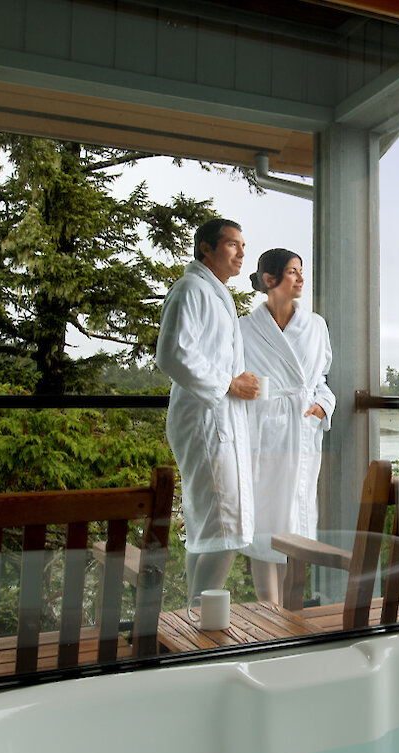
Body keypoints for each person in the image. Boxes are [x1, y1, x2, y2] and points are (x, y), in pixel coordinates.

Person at [155, 218, 261, 604]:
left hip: (218, 421)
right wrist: (230, 384)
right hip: (205, 422)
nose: (241, 253)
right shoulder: (190, 290)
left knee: (207, 527)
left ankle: (192, 620)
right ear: (206, 248)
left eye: (243, 246)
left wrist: (238, 382)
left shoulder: (216, 295)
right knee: (225, 527)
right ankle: (200, 618)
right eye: (233, 244)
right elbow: (172, 353)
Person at [240, 248, 335, 602]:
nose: (301, 279)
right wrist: (268, 396)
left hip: (301, 431)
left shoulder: (316, 326)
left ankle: (290, 609)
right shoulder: (244, 329)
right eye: (293, 272)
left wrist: (322, 407)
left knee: (297, 518)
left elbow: (321, 380)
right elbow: (237, 380)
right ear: (270, 280)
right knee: (264, 521)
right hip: (263, 432)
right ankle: (268, 607)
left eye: (301, 271)